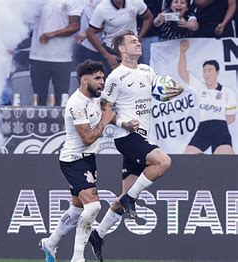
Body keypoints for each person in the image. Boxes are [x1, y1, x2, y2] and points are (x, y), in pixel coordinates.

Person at [88, 31, 183, 261]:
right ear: (121, 49)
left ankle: (98, 234)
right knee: (163, 162)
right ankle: (130, 198)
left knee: (122, 199)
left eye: (138, 40)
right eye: (133, 41)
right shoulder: (115, 77)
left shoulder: (148, 71)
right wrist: (123, 122)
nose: (138, 43)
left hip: (144, 137)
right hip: (127, 137)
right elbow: (105, 110)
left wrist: (174, 90)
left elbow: (166, 90)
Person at [39, 60, 115, 262]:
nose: (102, 82)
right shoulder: (76, 103)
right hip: (73, 160)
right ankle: (78, 258)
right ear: (84, 80)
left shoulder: (97, 99)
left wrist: (125, 123)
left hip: (88, 159)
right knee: (94, 207)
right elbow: (88, 137)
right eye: (97, 78)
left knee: (77, 209)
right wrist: (106, 119)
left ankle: (51, 242)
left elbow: (109, 115)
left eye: (103, 77)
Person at [178, 39, 236, 154]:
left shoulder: (228, 92)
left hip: (220, 129)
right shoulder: (200, 88)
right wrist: (183, 52)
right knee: (188, 159)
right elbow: (182, 72)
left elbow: (231, 118)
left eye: (210, 70)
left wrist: (217, 121)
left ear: (217, 72)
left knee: (226, 161)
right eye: (205, 71)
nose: (207, 73)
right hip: (203, 128)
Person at [29, 0, 83, 106]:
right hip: (38, 56)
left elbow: (75, 26)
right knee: (39, 96)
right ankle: (38, 122)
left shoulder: (73, 2)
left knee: (62, 96)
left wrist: (52, 34)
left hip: (62, 58)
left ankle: (61, 122)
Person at [87, 0, 153, 71]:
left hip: (133, 48)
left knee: (139, 79)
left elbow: (148, 17)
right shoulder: (101, 8)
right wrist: (108, 56)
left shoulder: (135, 2)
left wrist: (140, 37)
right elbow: (90, 33)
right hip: (112, 49)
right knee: (114, 80)